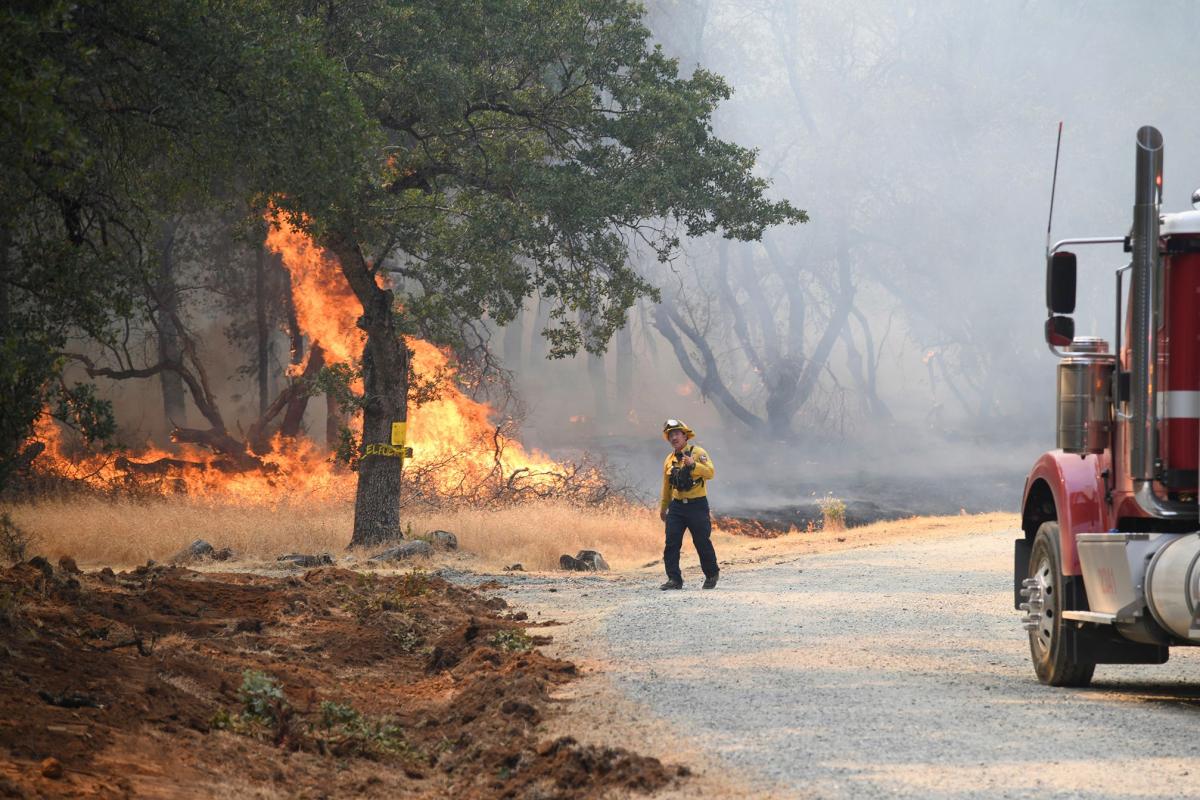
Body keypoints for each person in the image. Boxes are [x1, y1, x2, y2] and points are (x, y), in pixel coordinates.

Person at [658, 419, 719, 590]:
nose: (674, 437)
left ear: (685, 436)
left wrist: (694, 465)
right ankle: (674, 580)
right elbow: (667, 486)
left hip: (697, 505)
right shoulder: (669, 460)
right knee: (671, 542)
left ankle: (711, 574)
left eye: (677, 433)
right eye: (671, 435)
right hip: (677, 506)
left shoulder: (698, 452)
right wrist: (664, 508)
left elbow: (711, 473)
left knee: (701, 541)